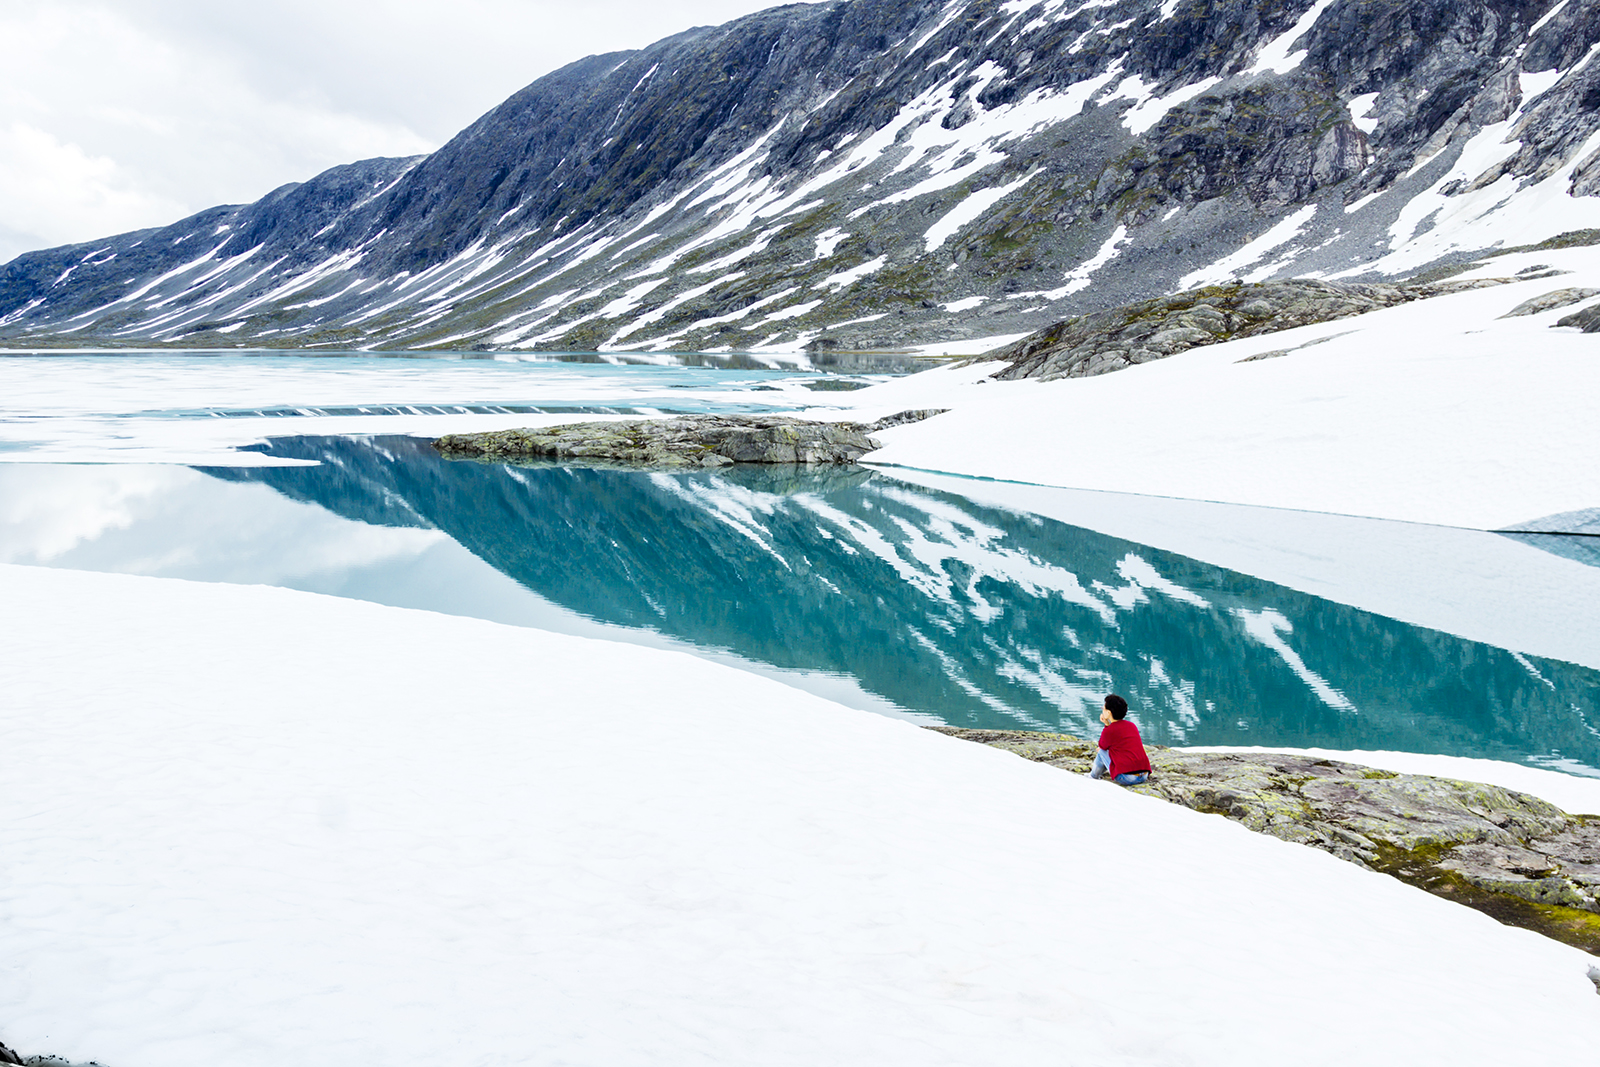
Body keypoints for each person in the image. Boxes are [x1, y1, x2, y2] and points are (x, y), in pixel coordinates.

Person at [1088, 693, 1151, 785]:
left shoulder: (1110, 730)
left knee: (1101, 752)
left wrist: (1106, 725)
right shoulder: (1131, 725)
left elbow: (1102, 745)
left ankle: (1093, 776)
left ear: (1109, 713)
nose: (1102, 710)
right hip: (1144, 775)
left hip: (1127, 778)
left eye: (1103, 708)